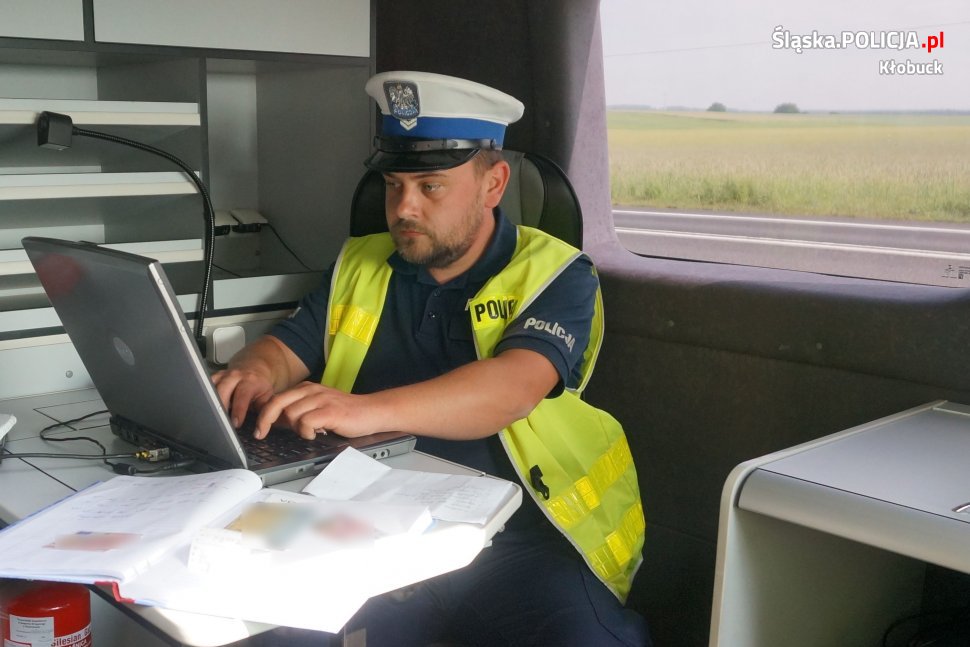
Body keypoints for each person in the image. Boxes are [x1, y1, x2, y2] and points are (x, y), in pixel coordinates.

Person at [213, 71, 650, 647]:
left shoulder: (556, 273)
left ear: (493, 184)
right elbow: (286, 346)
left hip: (517, 542)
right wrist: (252, 372)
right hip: (366, 526)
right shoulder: (360, 262)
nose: (404, 208)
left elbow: (513, 388)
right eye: (393, 185)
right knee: (268, 631)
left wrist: (363, 410)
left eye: (431, 186)